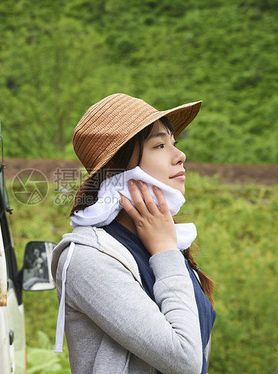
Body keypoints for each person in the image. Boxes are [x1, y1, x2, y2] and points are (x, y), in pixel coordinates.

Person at [51, 93, 216, 374]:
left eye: (173, 143)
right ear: (120, 168)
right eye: (160, 145)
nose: (180, 156)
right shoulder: (89, 259)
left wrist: (166, 248)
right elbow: (185, 360)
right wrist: (165, 251)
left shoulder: (167, 243)